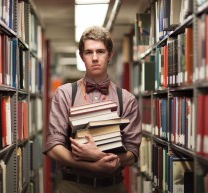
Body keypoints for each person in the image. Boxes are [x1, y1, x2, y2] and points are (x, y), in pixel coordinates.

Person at [44, 25, 142, 193]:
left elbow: (132, 152)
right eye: (89, 52)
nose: (95, 58)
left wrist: (99, 157)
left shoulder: (127, 99)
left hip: (113, 187)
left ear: (110, 54)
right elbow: (53, 146)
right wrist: (93, 165)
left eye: (100, 51)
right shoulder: (65, 94)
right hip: (73, 185)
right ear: (82, 56)